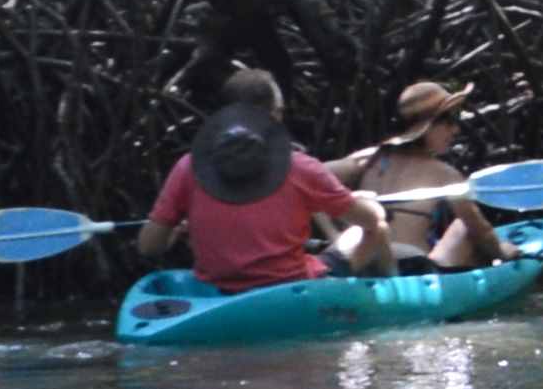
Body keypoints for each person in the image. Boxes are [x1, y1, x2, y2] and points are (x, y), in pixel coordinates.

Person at [128, 70, 377, 292]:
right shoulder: (301, 166)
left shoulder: (188, 166)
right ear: (271, 117)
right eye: (279, 111)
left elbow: (148, 247)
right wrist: (368, 204)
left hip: (220, 293)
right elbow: (367, 220)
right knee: (376, 227)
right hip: (290, 288)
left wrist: (174, 229)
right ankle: (393, 287)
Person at [342, 76, 506, 273]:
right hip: (411, 265)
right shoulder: (446, 174)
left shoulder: (369, 158)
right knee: (464, 227)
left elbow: (316, 172)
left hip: (362, 259)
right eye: (448, 120)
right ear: (426, 127)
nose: (455, 129)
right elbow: (481, 230)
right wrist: (504, 252)